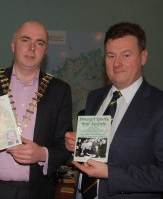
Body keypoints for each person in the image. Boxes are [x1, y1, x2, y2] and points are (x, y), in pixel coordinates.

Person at [0, 21, 73, 199]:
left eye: (39, 43)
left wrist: (42, 154)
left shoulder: (60, 90)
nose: (32, 48)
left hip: (36, 191)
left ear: (45, 51)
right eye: (26, 40)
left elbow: (65, 145)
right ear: (13, 45)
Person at [65, 22, 163, 198]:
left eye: (125, 55)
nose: (117, 63)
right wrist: (78, 144)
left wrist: (111, 173)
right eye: (111, 56)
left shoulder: (159, 105)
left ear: (143, 57)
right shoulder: (95, 97)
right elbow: (97, 149)